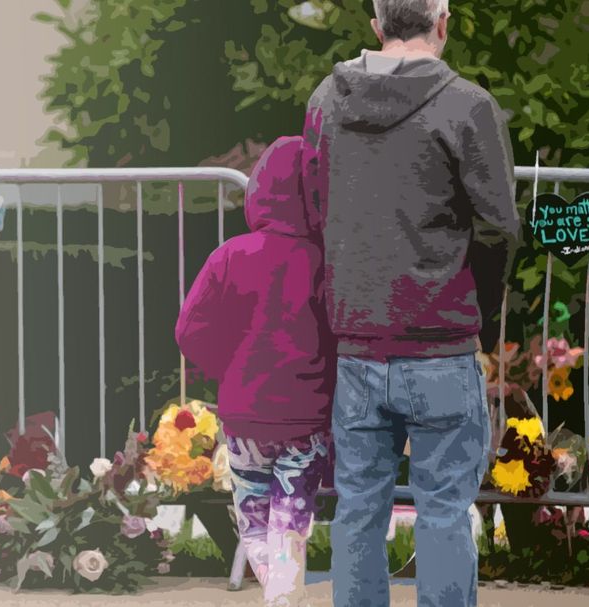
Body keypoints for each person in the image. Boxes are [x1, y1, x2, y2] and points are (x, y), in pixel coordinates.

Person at [301, 0, 521, 604]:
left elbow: (316, 208)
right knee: (445, 513)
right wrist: (484, 316)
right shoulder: (468, 105)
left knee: (357, 511)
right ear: (442, 22)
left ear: (376, 26)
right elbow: (500, 228)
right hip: (442, 346)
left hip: (356, 344)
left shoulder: (326, 101)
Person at [175, 136, 334, 607]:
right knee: (291, 521)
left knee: (254, 518)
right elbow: (340, 333)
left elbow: (189, 330)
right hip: (308, 418)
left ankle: (278, 595)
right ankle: (284, 595)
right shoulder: (325, 262)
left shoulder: (230, 255)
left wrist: (230, 367)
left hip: (244, 417)